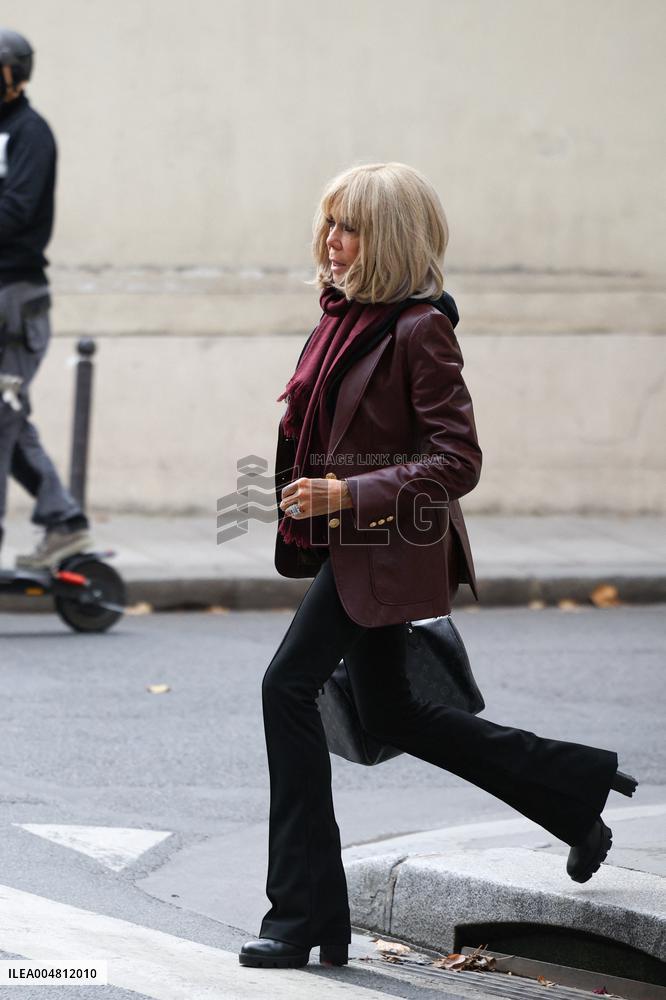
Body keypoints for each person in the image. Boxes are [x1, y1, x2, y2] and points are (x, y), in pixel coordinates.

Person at [238, 163, 638, 970]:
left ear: (386, 237)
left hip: (385, 545)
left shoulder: (421, 328)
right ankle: (577, 795)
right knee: (395, 715)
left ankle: (302, 913)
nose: (330, 240)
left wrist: (347, 494)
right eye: (327, 223)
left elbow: (457, 461)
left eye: (347, 226)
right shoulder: (344, 316)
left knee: (286, 687)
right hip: (350, 543)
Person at [0, 27, 91, 569]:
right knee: (7, 420)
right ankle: (64, 522)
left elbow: (15, 213)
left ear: (14, 75)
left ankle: (64, 522)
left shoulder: (31, 133)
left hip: (16, 302)